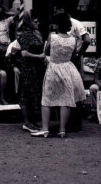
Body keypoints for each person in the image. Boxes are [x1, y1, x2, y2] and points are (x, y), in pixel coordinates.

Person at [32, 11, 85, 139]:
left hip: (53, 67)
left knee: (47, 98)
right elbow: (73, 56)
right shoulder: (73, 40)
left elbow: (46, 51)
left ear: (57, 25)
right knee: (66, 99)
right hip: (67, 68)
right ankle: (62, 130)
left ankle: (45, 128)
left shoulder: (52, 37)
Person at [17, 11, 45, 133]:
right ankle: (27, 122)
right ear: (29, 21)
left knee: (34, 95)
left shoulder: (36, 33)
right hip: (29, 68)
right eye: (35, 21)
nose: (38, 23)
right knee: (26, 95)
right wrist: (38, 56)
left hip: (37, 68)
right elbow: (24, 53)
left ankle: (33, 121)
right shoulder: (26, 34)